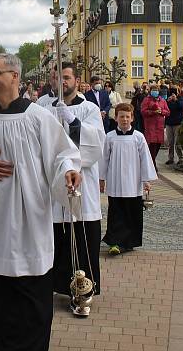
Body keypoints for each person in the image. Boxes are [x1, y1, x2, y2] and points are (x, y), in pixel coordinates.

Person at [0, 53, 81, 351]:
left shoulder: (38, 117)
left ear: (15, 77)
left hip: (29, 212)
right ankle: (3, 342)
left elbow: (62, 154)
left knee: (29, 280)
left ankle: (29, 349)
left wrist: (68, 171)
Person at [37, 63, 104, 317]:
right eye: (57, 77)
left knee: (82, 235)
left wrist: (74, 122)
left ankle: (83, 290)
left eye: (66, 77)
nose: (61, 81)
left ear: (77, 79)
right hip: (53, 181)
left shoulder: (89, 109)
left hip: (81, 180)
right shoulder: (42, 108)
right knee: (56, 238)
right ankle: (56, 286)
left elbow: (96, 144)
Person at [100, 102, 157, 254]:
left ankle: (129, 242)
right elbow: (104, 159)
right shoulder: (110, 137)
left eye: (127, 117)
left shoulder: (139, 137)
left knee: (132, 213)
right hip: (115, 182)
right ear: (116, 118)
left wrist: (147, 180)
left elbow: (145, 159)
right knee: (116, 212)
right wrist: (101, 179)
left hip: (133, 181)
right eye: (121, 117)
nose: (124, 120)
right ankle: (115, 242)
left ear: (132, 118)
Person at [140, 84, 169, 169]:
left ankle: (151, 162)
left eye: (156, 90)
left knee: (158, 145)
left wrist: (161, 111)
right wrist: (153, 112)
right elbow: (143, 111)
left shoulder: (162, 100)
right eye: (153, 90)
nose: (155, 91)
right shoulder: (146, 100)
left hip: (159, 126)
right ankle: (152, 165)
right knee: (152, 146)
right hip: (150, 126)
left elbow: (167, 112)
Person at [164, 86, 183, 165]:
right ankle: (171, 158)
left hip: (178, 123)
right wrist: (167, 101)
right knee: (170, 143)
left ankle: (181, 158)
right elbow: (165, 108)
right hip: (169, 123)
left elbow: (182, 106)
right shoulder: (168, 99)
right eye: (171, 91)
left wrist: (176, 100)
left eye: (174, 91)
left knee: (177, 143)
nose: (172, 93)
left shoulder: (180, 98)